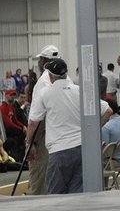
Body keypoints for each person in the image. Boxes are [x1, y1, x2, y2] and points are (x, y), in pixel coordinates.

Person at [26, 58, 112, 194]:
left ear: (49, 75)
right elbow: (108, 111)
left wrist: (30, 143)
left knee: (57, 197)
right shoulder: (79, 91)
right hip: (81, 149)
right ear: (66, 73)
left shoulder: (45, 93)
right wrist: (92, 131)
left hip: (59, 151)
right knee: (78, 196)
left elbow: (33, 123)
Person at [26, 44, 60, 195]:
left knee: (38, 177)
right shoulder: (65, 78)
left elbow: (39, 117)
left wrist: (31, 142)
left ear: (45, 60)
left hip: (43, 136)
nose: (38, 63)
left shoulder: (44, 81)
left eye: (40, 59)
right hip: (57, 135)